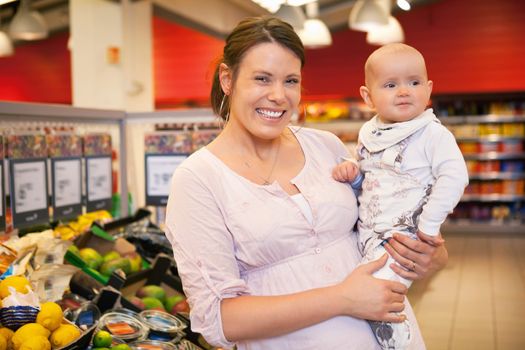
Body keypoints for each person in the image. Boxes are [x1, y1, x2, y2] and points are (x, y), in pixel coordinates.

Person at [165, 17, 448, 350]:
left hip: (396, 339)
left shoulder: (325, 146)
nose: (278, 95)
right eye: (262, 79)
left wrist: (430, 252)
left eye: (290, 81)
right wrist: (342, 298)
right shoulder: (198, 180)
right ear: (227, 79)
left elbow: (382, 225)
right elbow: (219, 320)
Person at [333, 43, 468, 349]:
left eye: (414, 82)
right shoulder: (371, 132)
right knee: (365, 301)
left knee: (378, 300)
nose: (404, 91)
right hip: (366, 235)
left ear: (429, 89)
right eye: (391, 85)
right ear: (368, 97)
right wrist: (354, 173)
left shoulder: (432, 134)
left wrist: (429, 227)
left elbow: (455, 176)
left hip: (403, 238)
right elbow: (370, 179)